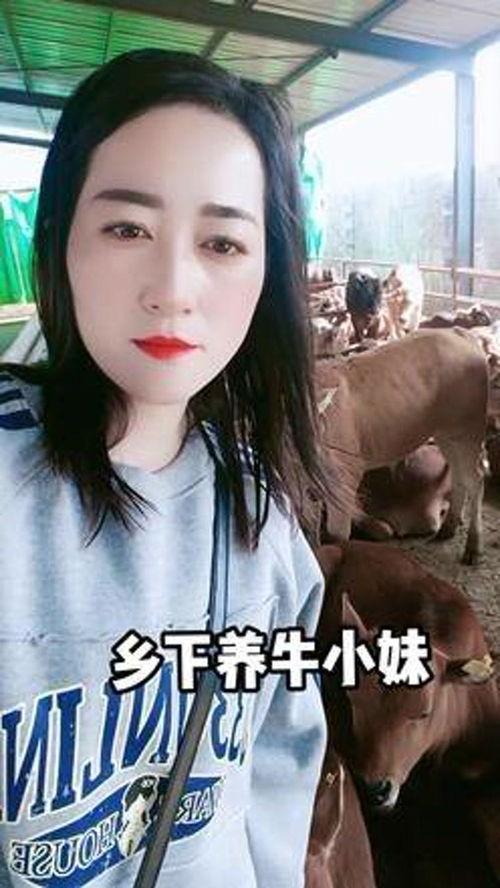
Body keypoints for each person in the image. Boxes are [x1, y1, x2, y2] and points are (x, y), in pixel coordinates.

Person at [0, 49, 337, 888]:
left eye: (223, 242)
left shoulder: (264, 520)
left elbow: (277, 772)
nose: (174, 288)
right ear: (60, 238)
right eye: (127, 228)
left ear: (268, 272)